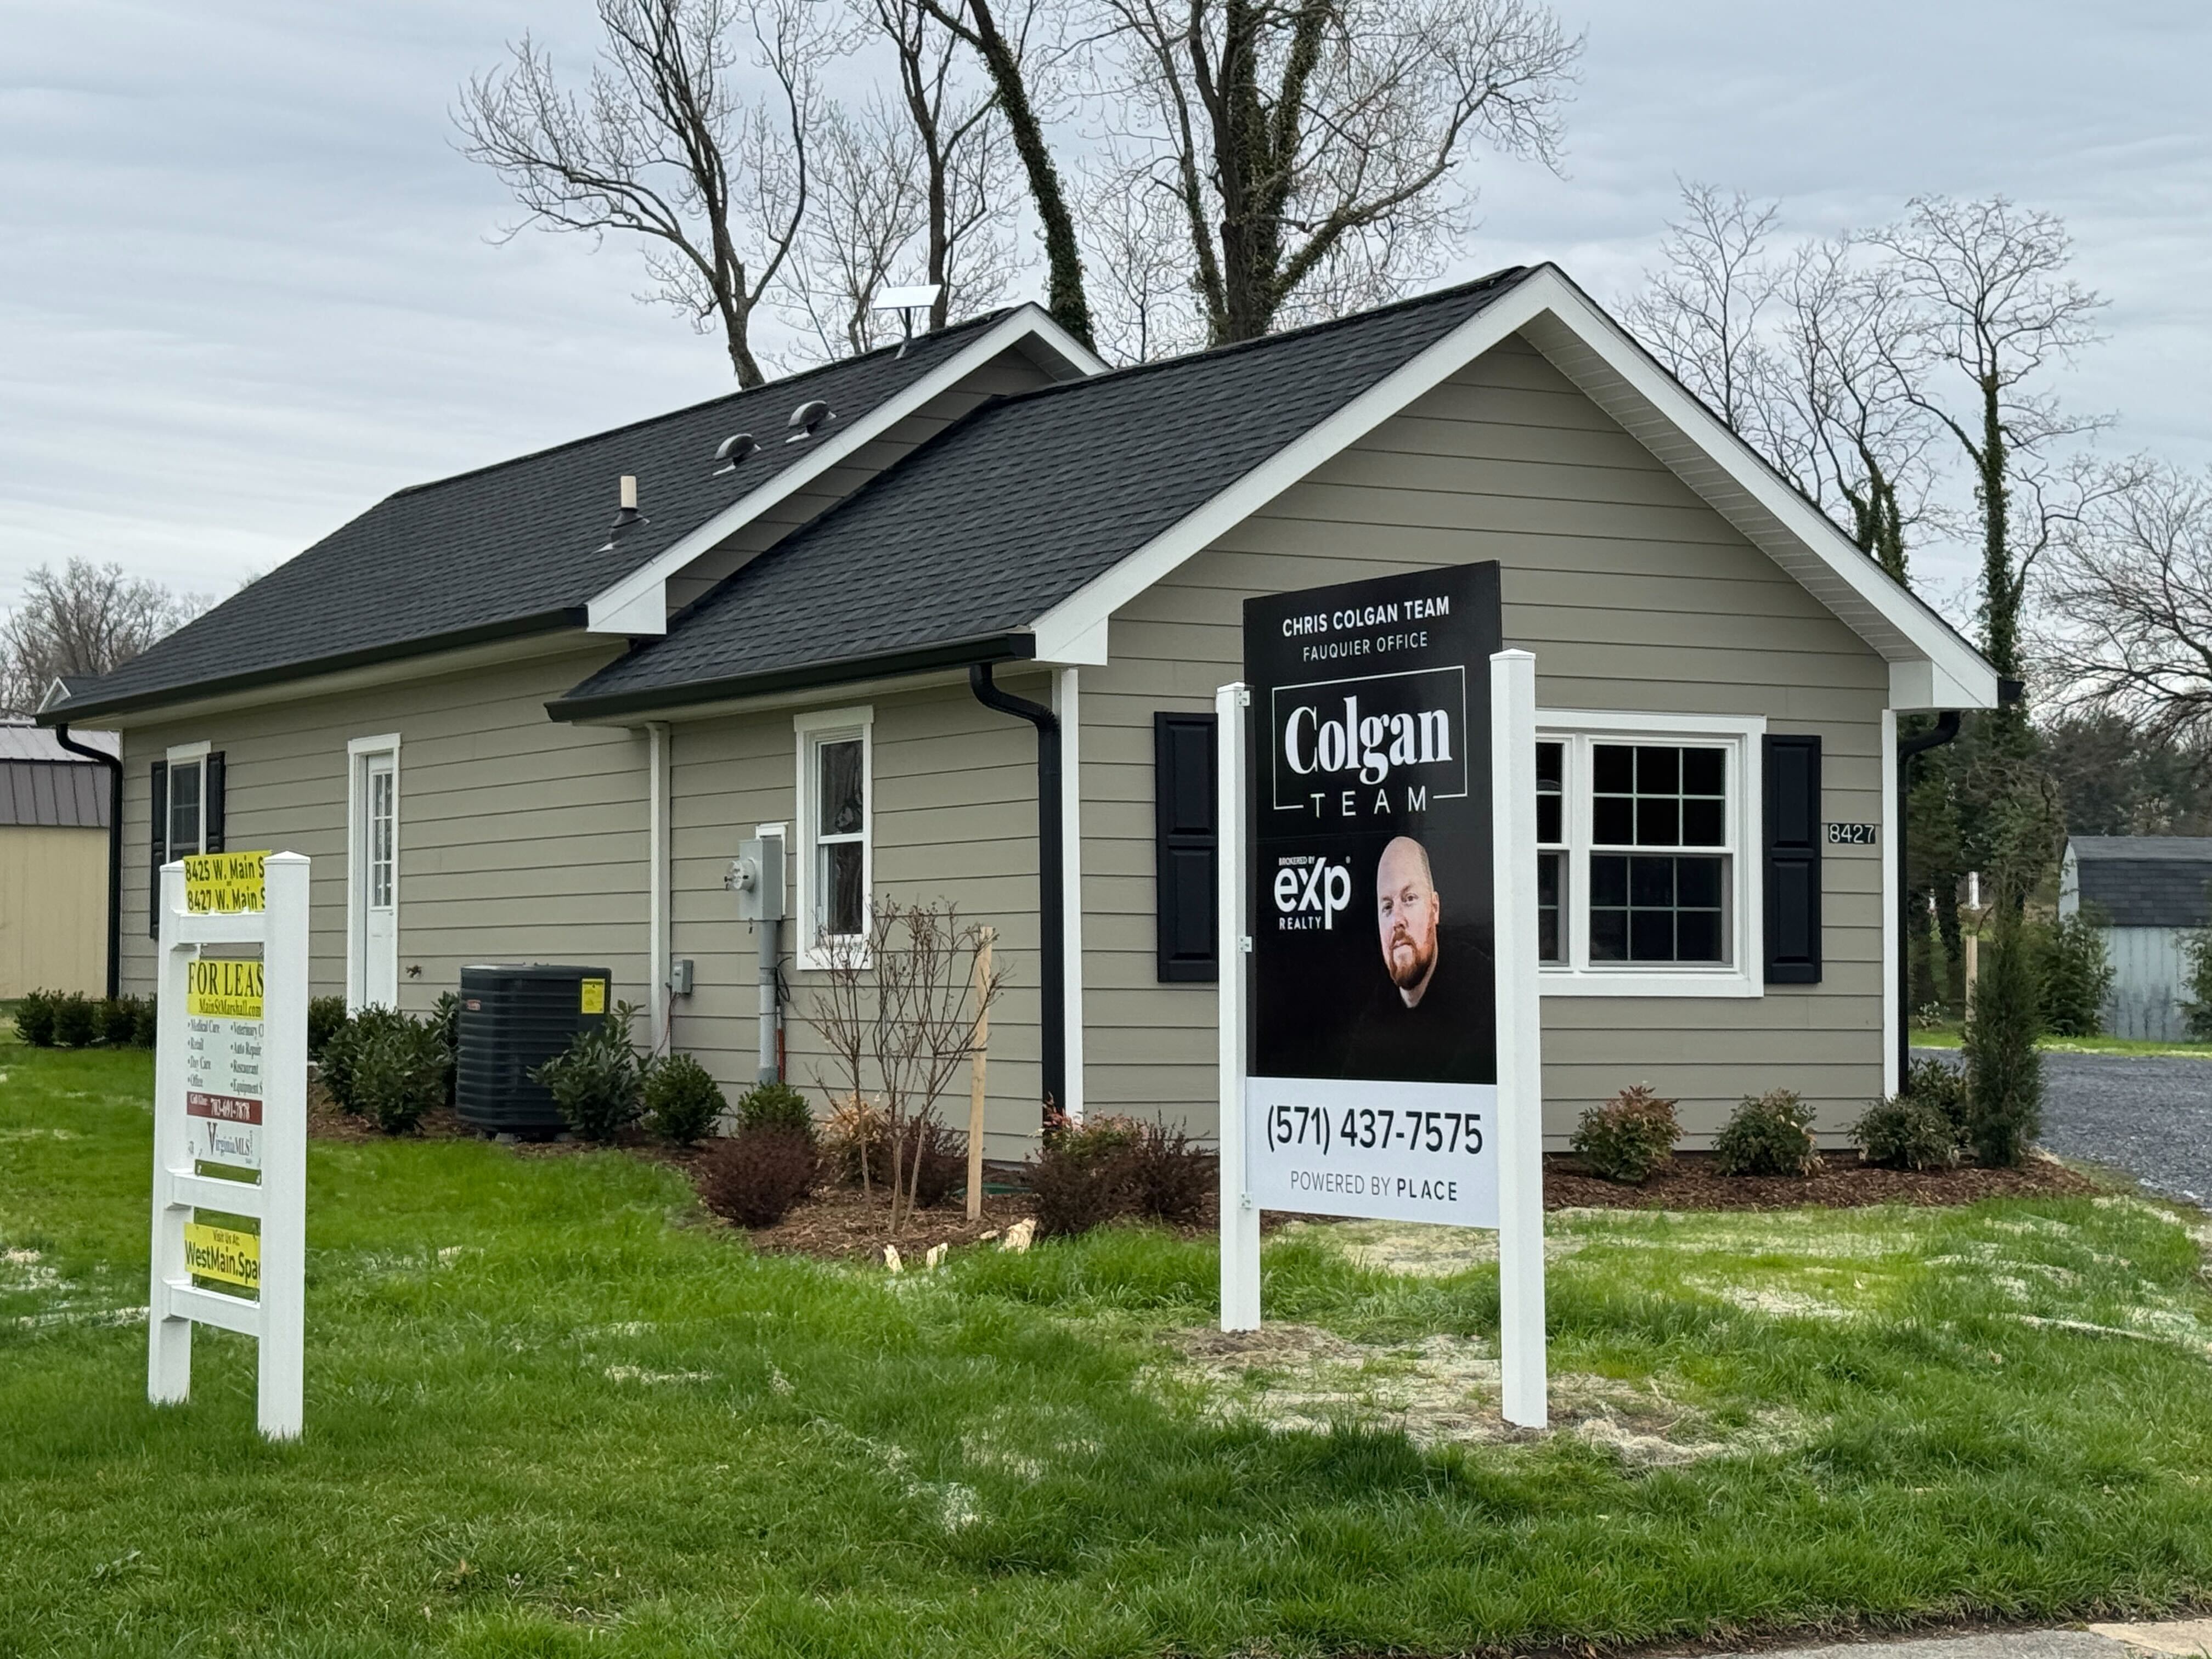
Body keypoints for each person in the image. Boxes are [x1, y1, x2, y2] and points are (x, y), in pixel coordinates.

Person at [1336, 834, 1493, 1082]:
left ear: (1435, 908)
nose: (1397, 919)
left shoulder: (1483, 991)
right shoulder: (1373, 1015)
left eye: (1409, 899)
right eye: (1387, 907)